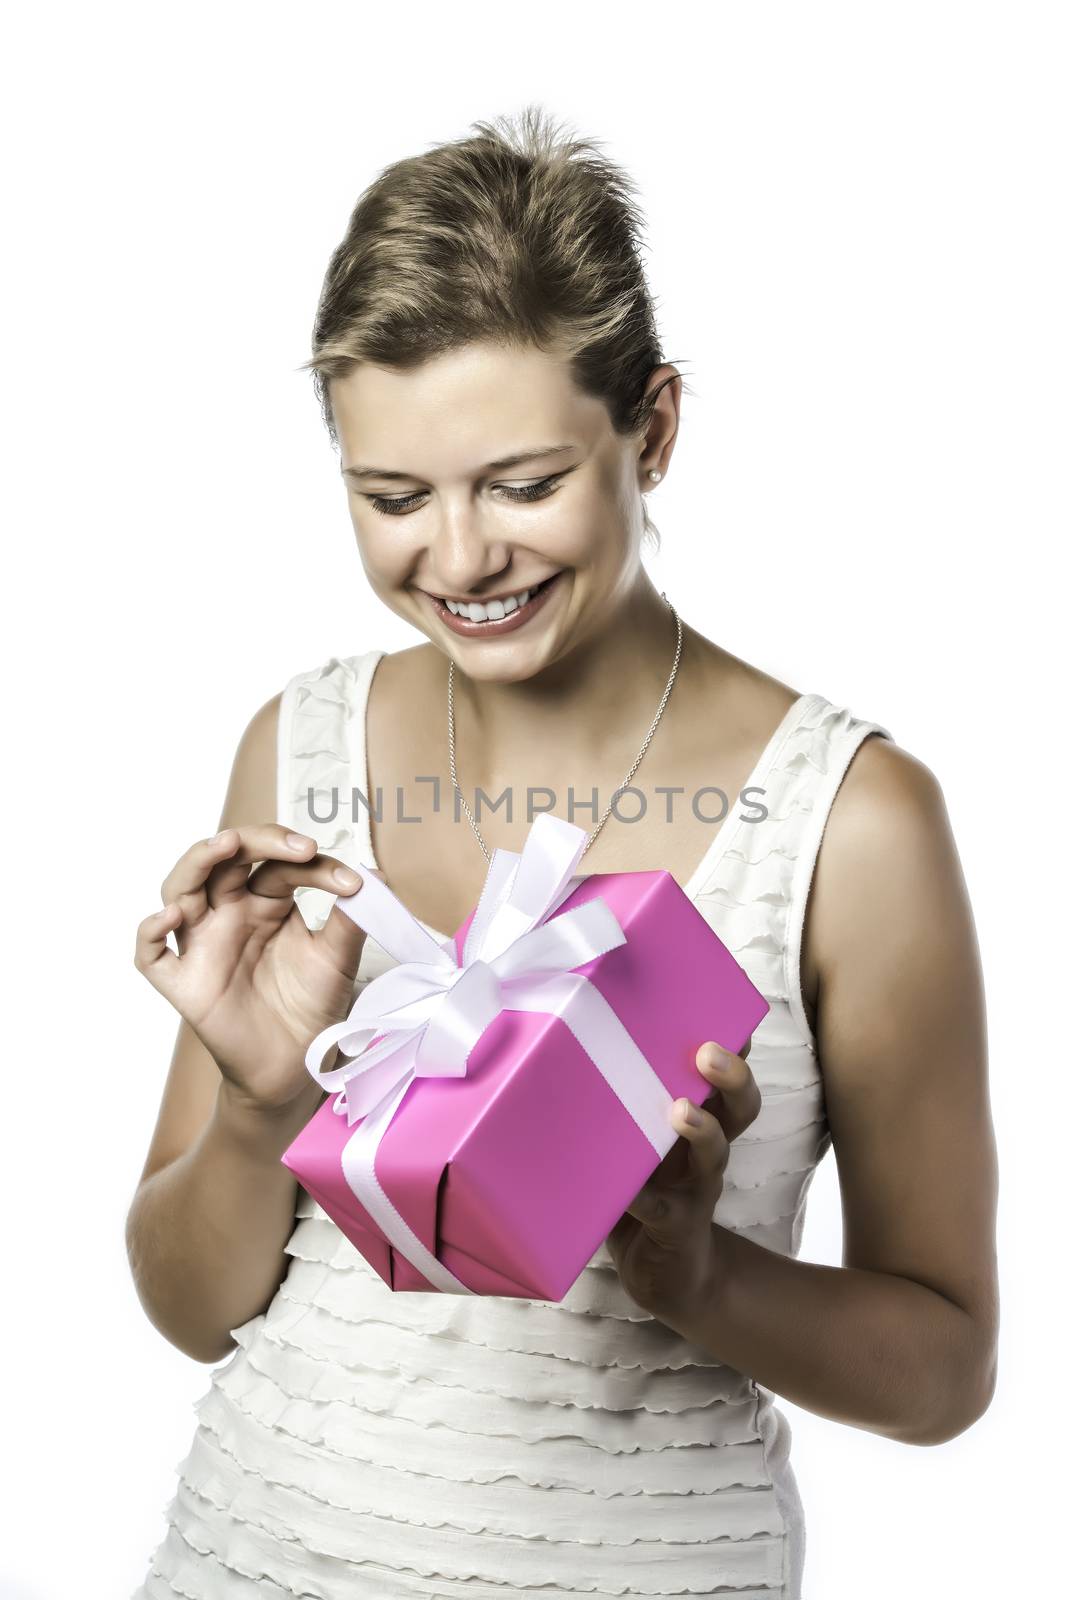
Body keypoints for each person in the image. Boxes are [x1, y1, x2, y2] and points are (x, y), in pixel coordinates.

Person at [127, 107, 999, 1599]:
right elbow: (195, 1308)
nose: (458, 561)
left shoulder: (850, 821)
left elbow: (946, 1371)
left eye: (522, 484)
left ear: (651, 429)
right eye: (393, 499)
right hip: (244, 1559)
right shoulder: (304, 746)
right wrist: (271, 1103)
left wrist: (703, 1278)